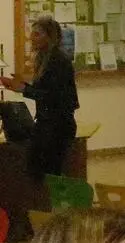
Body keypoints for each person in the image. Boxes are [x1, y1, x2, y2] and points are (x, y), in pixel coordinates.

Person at [0, 15, 79, 180]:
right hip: (47, 124)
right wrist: (21, 86)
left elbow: (55, 97)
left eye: (37, 34)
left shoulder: (58, 61)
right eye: (32, 33)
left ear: (49, 37)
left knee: (47, 174)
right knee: (36, 171)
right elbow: (43, 91)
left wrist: (23, 89)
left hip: (57, 127)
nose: (31, 38)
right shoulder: (45, 59)